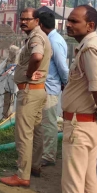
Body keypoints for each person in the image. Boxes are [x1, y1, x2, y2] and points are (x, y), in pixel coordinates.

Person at [33, 5, 97, 193]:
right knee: (88, 180)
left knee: (73, 181)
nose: (68, 24)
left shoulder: (91, 49)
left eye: (75, 21)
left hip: (81, 124)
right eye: (69, 20)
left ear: (90, 26)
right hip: (87, 123)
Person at [0, 8, 52, 187]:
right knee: (37, 130)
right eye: (21, 19)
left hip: (29, 92)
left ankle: (22, 175)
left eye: (27, 19)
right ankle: (34, 166)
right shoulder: (39, 36)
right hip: (38, 91)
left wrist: (29, 73)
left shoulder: (36, 37)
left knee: (24, 134)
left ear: (37, 21)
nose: (23, 22)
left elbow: (37, 56)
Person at [33, 12, 69, 170]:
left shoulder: (54, 41)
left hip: (51, 88)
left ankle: (48, 156)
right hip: (46, 86)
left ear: (40, 25)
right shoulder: (51, 39)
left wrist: (65, 84)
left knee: (49, 123)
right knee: (41, 122)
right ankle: (42, 153)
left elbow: (63, 67)